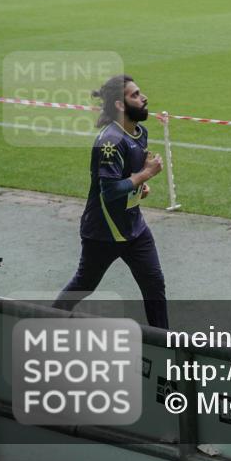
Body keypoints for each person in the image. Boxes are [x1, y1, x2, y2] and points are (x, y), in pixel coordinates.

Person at [53, 74, 168, 328]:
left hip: (134, 228)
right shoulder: (109, 142)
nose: (143, 97)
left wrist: (140, 186)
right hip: (104, 232)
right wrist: (145, 174)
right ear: (119, 105)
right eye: (135, 95)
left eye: (140, 92)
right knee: (83, 285)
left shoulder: (140, 132)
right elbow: (110, 191)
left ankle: (165, 344)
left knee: (154, 284)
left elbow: (128, 178)